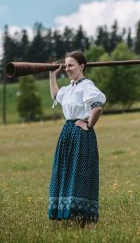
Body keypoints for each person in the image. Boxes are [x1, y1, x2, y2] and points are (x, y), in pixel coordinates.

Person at [48, 51, 106, 226]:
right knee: (65, 172)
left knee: (79, 174)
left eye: (71, 65)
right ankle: (68, 214)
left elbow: (97, 107)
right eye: (66, 65)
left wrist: (88, 125)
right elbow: (55, 96)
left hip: (81, 135)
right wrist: (52, 76)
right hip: (67, 134)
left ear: (82, 66)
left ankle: (82, 217)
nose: (67, 69)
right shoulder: (70, 88)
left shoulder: (86, 86)